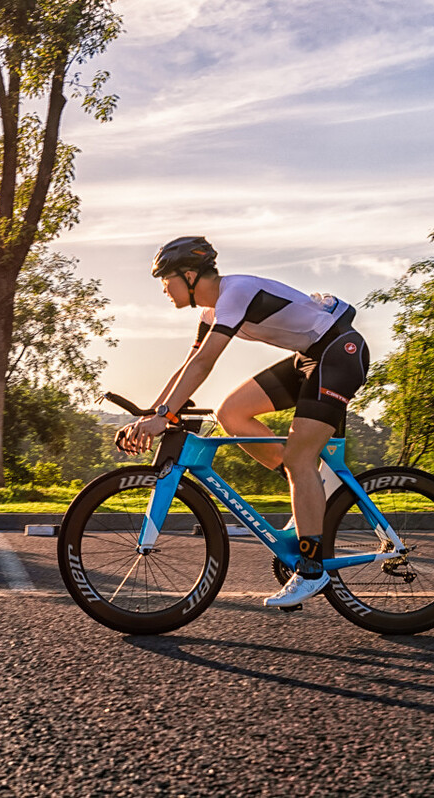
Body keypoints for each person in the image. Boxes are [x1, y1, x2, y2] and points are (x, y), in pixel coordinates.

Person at [118, 236, 370, 608]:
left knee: (302, 459)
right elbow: (188, 367)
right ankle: (306, 488)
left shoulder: (235, 292)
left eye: (165, 280)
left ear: (188, 275)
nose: (164, 290)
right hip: (310, 357)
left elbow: (205, 364)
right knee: (231, 413)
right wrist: (151, 414)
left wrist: (162, 417)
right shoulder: (211, 313)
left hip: (338, 354)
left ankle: (313, 570)